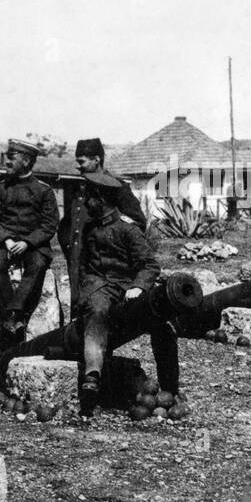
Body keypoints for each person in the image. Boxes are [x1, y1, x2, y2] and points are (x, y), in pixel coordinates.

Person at [74, 171, 179, 418]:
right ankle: (92, 376)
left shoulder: (127, 230)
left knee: (160, 322)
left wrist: (139, 287)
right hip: (98, 287)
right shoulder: (89, 230)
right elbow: (83, 266)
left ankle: (170, 388)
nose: (86, 201)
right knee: (98, 312)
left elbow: (149, 264)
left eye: (89, 196)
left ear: (100, 198)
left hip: (125, 288)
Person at [0, 138, 58, 348]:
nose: (6, 161)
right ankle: (13, 319)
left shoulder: (44, 191)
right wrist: (6, 239)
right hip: (2, 242)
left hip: (33, 244)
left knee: (38, 265)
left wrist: (27, 242)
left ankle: (13, 314)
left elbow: (49, 224)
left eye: (11, 158)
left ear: (26, 161)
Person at [61, 137, 147, 284]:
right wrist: (67, 244)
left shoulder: (116, 186)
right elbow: (68, 220)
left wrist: (115, 245)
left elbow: (138, 221)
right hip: (78, 252)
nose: (78, 166)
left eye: (82, 161)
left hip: (108, 257)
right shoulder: (76, 185)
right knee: (78, 297)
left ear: (96, 159)